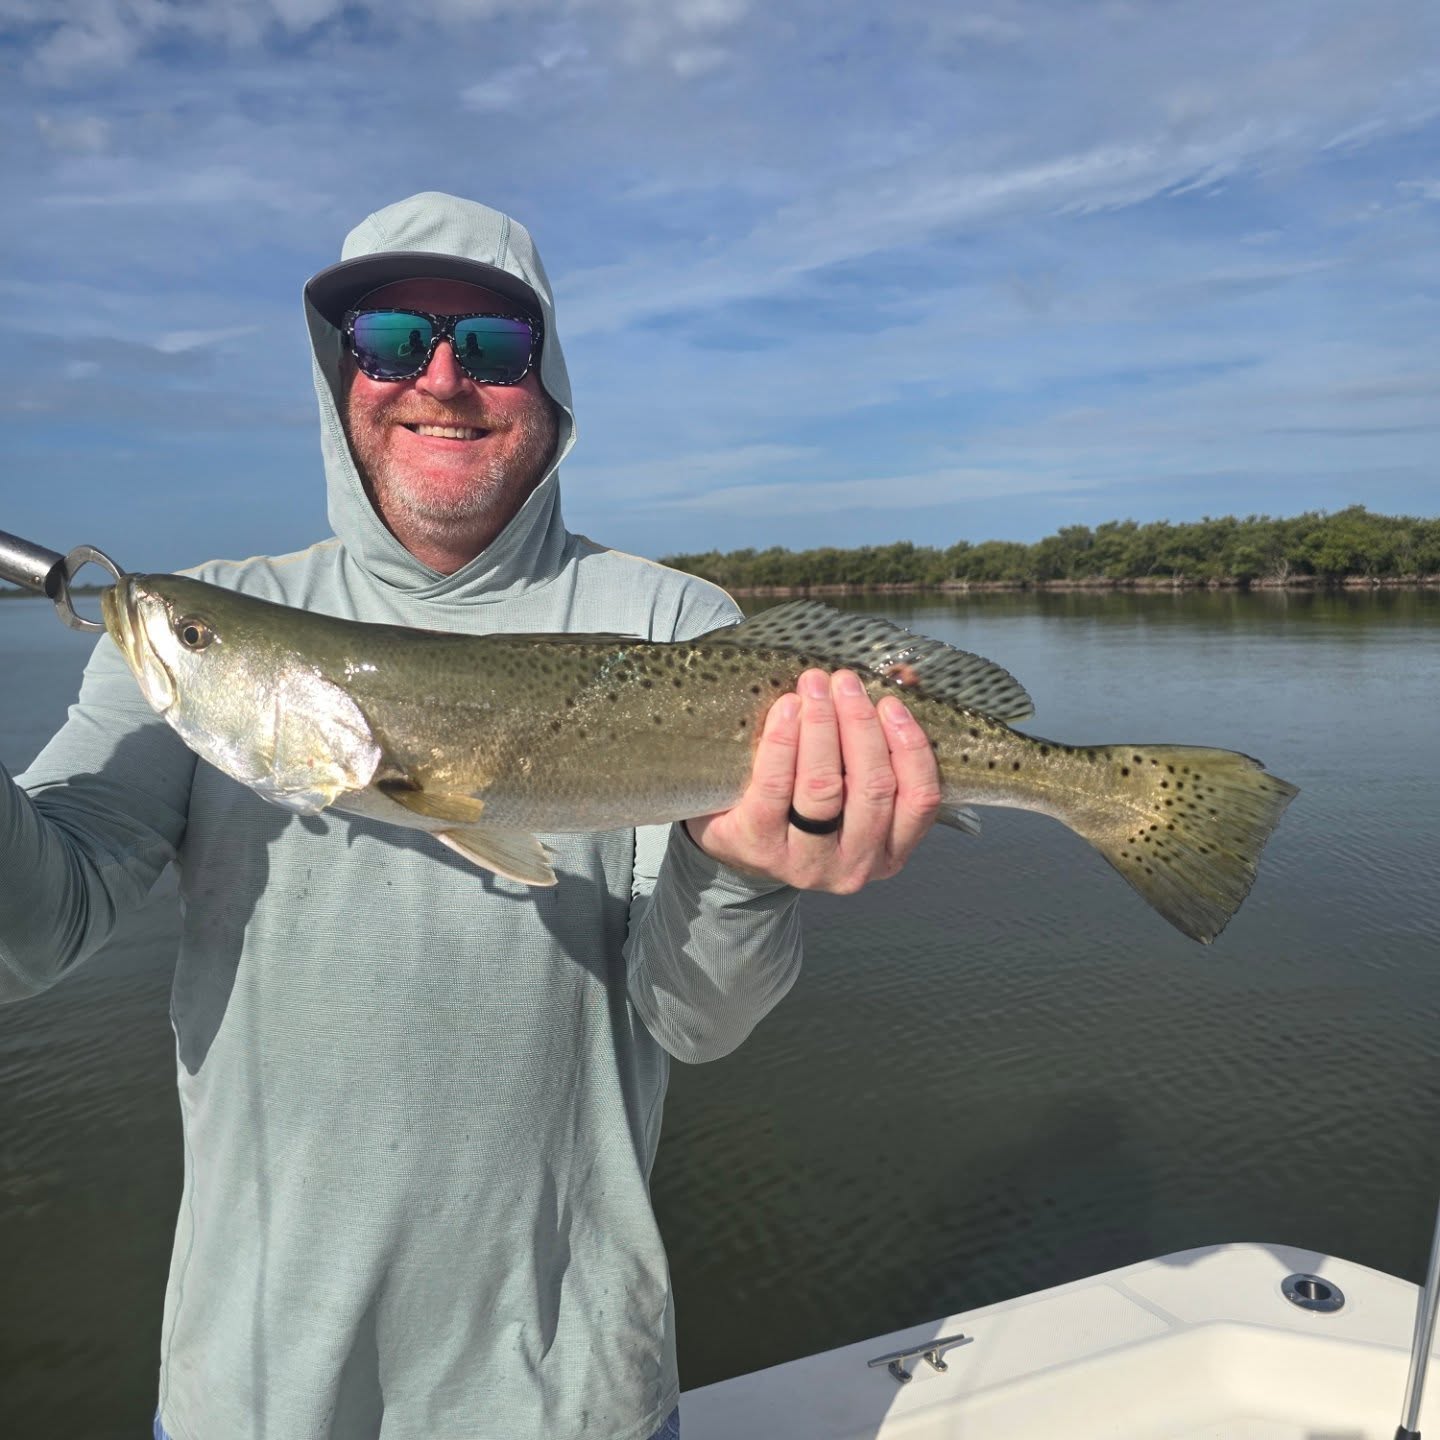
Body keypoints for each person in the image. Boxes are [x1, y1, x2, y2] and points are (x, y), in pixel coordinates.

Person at [0, 193, 941, 1440]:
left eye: (490, 346)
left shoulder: (678, 625)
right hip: (254, 1395)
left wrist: (742, 871)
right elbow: (33, 936)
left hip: (570, 1394)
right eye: (390, 339)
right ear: (341, 378)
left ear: (546, 382)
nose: (441, 381)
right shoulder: (198, 629)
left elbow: (693, 1022)